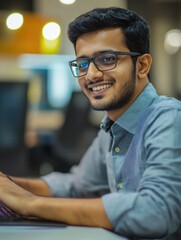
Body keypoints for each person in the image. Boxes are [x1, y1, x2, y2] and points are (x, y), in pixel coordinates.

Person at [0, 7, 181, 239]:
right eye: (83, 64)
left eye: (107, 59)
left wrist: (29, 204)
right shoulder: (111, 126)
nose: (91, 75)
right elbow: (77, 186)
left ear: (143, 65)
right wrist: (9, 184)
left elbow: (157, 212)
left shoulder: (170, 119)